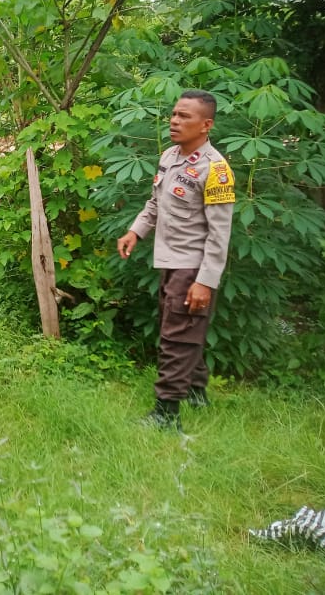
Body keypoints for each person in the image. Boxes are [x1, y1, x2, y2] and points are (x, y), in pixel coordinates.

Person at [116, 90, 235, 432]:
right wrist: (136, 231)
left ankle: (166, 414)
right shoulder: (169, 156)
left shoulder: (216, 170)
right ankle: (196, 393)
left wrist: (204, 281)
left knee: (177, 337)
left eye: (184, 116)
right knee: (184, 328)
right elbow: (155, 203)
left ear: (206, 125)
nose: (174, 121)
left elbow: (220, 234)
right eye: (174, 114)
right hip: (169, 259)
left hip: (193, 266)